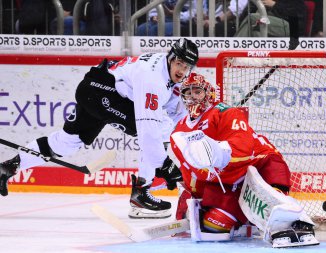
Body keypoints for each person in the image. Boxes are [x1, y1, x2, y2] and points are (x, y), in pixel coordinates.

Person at [0, 38, 199, 219]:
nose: (181, 70)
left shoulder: (167, 73)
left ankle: (8, 167)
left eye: (186, 66)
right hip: (101, 92)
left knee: (66, 143)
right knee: (157, 127)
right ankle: (141, 192)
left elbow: (177, 112)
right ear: (170, 58)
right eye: (179, 63)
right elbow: (148, 130)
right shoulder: (152, 77)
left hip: (95, 87)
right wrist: (164, 166)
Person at [169, 73, 319, 247]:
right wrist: (191, 197)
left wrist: (219, 154)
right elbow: (191, 172)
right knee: (214, 224)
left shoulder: (225, 112)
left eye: (197, 92)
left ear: (208, 93)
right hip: (226, 180)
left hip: (257, 165)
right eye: (188, 93)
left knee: (271, 197)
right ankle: (246, 221)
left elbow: (243, 147)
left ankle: (289, 220)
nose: (193, 97)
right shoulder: (179, 131)